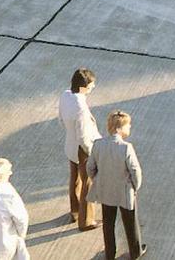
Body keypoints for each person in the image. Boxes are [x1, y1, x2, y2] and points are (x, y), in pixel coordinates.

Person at [87, 110, 146, 260]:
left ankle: (110, 254)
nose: (130, 127)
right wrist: (135, 187)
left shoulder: (98, 145)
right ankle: (135, 252)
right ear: (119, 128)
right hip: (124, 191)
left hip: (106, 190)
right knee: (130, 223)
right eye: (128, 125)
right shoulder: (126, 147)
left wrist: (99, 180)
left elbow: (90, 167)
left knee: (108, 224)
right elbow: (135, 171)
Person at [59, 68, 101, 230]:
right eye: (91, 85)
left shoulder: (65, 95)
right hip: (82, 149)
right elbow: (83, 137)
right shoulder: (81, 108)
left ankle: (75, 211)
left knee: (74, 178)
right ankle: (86, 221)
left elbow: (61, 118)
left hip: (70, 143)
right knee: (87, 183)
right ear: (84, 87)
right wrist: (92, 152)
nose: (93, 87)